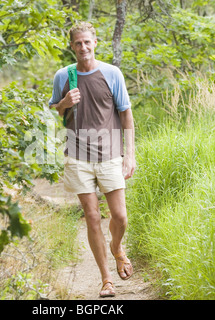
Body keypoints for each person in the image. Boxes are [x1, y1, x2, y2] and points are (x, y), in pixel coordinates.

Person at [49, 21, 136, 298]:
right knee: (92, 216)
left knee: (120, 216)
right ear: (71, 46)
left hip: (110, 155)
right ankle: (106, 279)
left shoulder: (112, 73)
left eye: (87, 42)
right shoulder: (64, 75)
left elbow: (125, 114)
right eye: (78, 43)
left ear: (95, 42)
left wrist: (129, 154)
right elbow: (52, 113)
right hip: (77, 157)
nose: (83, 47)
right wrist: (63, 103)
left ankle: (117, 247)